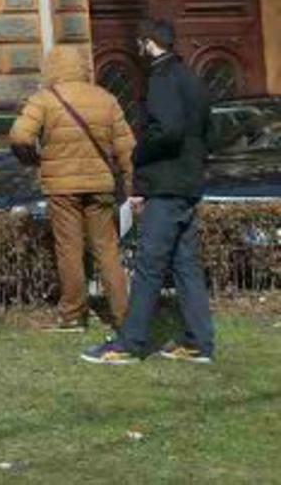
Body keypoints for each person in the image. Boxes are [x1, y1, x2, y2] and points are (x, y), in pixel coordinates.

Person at [84, 20, 216, 365]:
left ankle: (129, 344)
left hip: (165, 185)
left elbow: (167, 130)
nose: (139, 50)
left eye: (140, 43)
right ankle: (198, 342)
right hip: (188, 183)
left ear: (148, 43)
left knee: (149, 266)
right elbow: (208, 132)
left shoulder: (161, 78)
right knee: (186, 267)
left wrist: (138, 154)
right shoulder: (192, 79)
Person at [8, 45, 134, 333]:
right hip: (100, 184)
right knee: (107, 249)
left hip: (62, 186)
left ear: (51, 68)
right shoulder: (106, 99)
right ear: (83, 67)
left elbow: (19, 136)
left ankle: (73, 314)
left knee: (69, 249)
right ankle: (124, 315)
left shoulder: (44, 99)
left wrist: (34, 160)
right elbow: (127, 147)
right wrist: (131, 184)